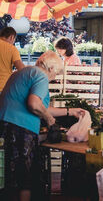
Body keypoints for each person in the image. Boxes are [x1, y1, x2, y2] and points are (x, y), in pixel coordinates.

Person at [0, 51, 85, 201]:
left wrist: (69, 111)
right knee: (25, 177)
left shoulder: (21, 73)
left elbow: (41, 105)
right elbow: (34, 104)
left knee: (12, 176)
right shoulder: (41, 76)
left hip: (7, 125)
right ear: (51, 68)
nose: (55, 78)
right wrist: (49, 119)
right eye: (56, 73)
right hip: (21, 128)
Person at [0, 27, 25, 91]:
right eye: (14, 40)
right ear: (11, 37)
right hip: (3, 87)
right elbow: (21, 68)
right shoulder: (11, 49)